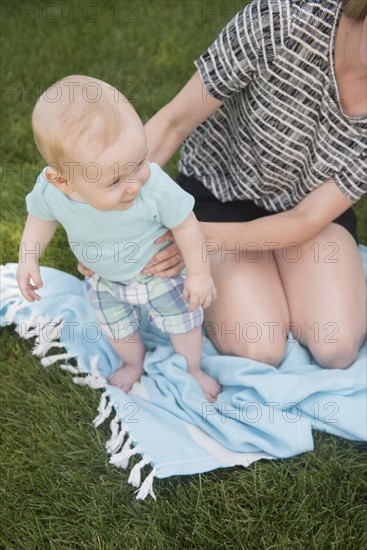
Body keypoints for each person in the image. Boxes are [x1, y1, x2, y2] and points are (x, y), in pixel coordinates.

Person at [135, 0, 366, 369]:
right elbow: (172, 124)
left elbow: (306, 218)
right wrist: (106, 209)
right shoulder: (280, 19)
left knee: (336, 347)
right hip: (220, 195)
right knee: (260, 348)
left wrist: (194, 240)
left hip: (308, 218)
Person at [16, 75, 221, 402]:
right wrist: (28, 257)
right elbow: (40, 217)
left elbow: (186, 224)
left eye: (139, 161)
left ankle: (192, 369)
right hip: (103, 280)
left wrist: (199, 274)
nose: (134, 184)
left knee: (184, 326)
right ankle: (133, 363)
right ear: (63, 181)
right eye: (114, 180)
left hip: (158, 273)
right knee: (119, 331)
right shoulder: (51, 191)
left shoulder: (152, 185)